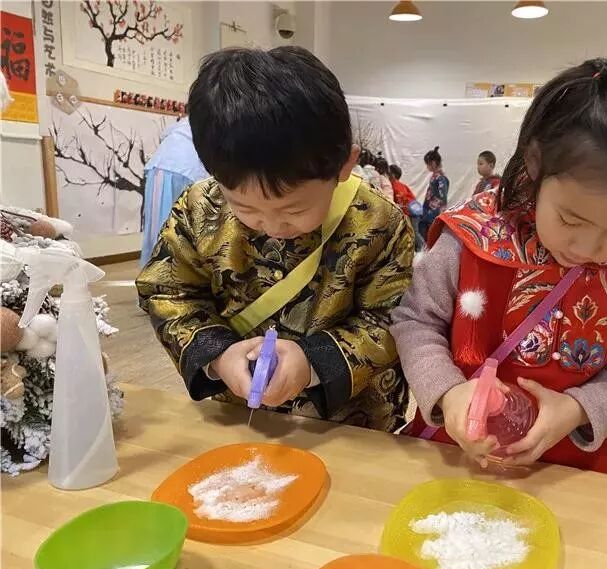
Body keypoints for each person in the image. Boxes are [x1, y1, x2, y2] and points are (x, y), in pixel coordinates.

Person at [391, 58, 607, 474]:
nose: (590, 248)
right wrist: (448, 393)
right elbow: (416, 321)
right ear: (534, 161)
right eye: (570, 220)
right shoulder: (471, 237)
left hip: (571, 471)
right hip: (458, 454)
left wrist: (578, 408)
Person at [136, 46, 414, 432]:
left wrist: (313, 363)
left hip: (349, 425)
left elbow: (392, 317)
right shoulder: (199, 209)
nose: (270, 225)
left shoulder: (379, 223)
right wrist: (219, 356)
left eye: (294, 209)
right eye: (244, 207)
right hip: (241, 415)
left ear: (344, 166)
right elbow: (168, 291)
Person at [140, 117, 208, 266]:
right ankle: (169, 267)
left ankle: (161, 266)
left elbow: (165, 134)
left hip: (165, 168)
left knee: (160, 225)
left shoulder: (184, 123)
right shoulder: (210, 120)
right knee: (185, 226)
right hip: (186, 170)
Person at [419, 146, 449, 245]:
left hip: (434, 210)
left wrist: (439, 211)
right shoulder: (436, 176)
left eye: (427, 164)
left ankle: (427, 246)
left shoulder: (441, 178)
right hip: (429, 208)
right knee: (424, 227)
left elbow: (443, 197)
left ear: (433, 163)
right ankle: (426, 245)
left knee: (430, 231)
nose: (427, 167)